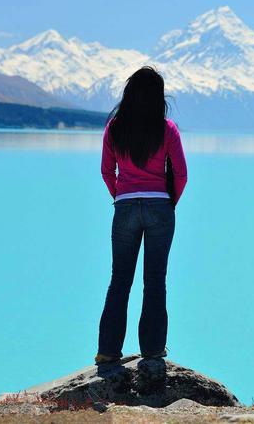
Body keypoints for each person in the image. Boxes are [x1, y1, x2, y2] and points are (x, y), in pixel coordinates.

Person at [95, 66, 187, 365]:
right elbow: (181, 174)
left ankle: (108, 351)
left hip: (125, 208)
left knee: (119, 280)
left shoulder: (115, 127)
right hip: (160, 206)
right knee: (155, 280)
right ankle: (152, 350)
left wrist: (120, 197)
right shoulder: (167, 128)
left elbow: (107, 171)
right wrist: (168, 202)